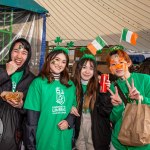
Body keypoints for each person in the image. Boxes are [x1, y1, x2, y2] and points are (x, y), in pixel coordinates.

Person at [23, 46, 77, 150]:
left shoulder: (70, 85)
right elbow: (31, 120)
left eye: (63, 61)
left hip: (64, 140)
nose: (59, 64)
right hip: (44, 139)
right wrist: (31, 146)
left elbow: (74, 109)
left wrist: (68, 122)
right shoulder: (38, 83)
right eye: (57, 59)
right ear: (49, 60)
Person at [106, 49, 150, 150]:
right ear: (110, 68)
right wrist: (117, 106)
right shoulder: (112, 87)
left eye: (121, 62)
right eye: (113, 64)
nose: (118, 67)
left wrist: (141, 98)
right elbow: (113, 119)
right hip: (118, 143)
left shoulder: (146, 80)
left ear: (129, 63)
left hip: (142, 142)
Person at [69, 54, 113, 150]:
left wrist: (104, 93)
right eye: (84, 67)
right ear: (79, 69)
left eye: (91, 68)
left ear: (94, 71)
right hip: (79, 130)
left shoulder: (100, 86)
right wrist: (70, 106)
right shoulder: (73, 86)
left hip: (97, 133)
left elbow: (106, 111)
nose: (87, 71)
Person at [0, 38, 35, 150]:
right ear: (10, 52)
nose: (19, 56)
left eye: (24, 52)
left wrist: (22, 106)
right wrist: (6, 73)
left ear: (28, 56)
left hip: (15, 130)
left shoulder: (32, 79)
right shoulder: (1, 69)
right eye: (16, 51)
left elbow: (32, 107)